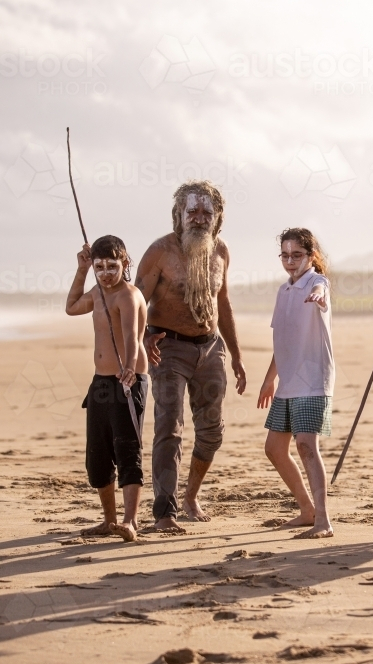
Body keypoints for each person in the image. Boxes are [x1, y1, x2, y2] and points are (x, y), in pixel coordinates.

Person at [135, 180, 247, 533]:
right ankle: (164, 511)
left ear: (217, 219)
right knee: (169, 428)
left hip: (210, 348)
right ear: (179, 215)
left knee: (212, 431)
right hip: (168, 349)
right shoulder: (160, 252)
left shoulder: (221, 251)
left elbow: (223, 301)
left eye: (206, 213)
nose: (199, 218)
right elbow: (136, 302)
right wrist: (145, 336)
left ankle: (190, 497)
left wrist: (237, 356)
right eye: (192, 211)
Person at [65, 235, 149, 543]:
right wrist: (82, 269)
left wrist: (128, 368)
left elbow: (132, 336)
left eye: (112, 266)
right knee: (98, 455)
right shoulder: (97, 292)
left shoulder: (128, 295)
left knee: (127, 449)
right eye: (99, 267)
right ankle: (109, 520)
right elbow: (71, 307)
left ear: (125, 263)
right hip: (100, 382)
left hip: (127, 380)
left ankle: (130, 521)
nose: (105, 273)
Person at [257, 228, 336, 539]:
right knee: (274, 449)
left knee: (306, 445)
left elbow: (322, 291)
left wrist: (318, 296)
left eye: (297, 255)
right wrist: (269, 379)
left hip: (313, 379)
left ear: (311, 256)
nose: (290, 261)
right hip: (288, 381)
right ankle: (307, 510)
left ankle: (323, 521)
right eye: (285, 255)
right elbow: (283, 341)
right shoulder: (283, 291)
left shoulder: (318, 281)